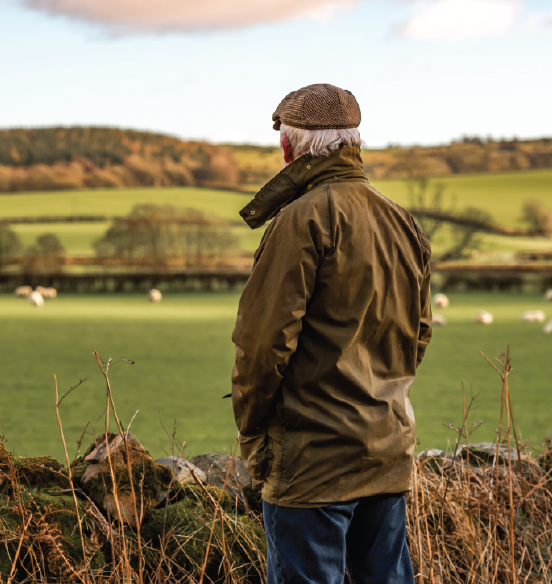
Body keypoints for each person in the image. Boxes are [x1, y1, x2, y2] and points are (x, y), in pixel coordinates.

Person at [230, 83, 432, 584]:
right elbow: (418, 335)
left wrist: (254, 432)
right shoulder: (400, 221)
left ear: (287, 148)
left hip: (312, 463)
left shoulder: (300, 220)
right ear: (353, 143)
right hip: (386, 452)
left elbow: (262, 349)